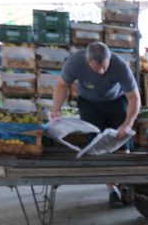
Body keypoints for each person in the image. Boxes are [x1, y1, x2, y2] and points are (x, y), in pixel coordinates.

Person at [51, 42, 141, 208]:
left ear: (109, 59)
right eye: (96, 68)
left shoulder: (120, 65)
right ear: (87, 60)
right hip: (89, 103)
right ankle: (112, 189)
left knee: (123, 144)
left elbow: (134, 98)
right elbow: (62, 85)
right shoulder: (75, 62)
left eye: (104, 67)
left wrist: (127, 124)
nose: (101, 72)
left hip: (116, 101)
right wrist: (55, 110)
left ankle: (125, 184)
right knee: (98, 147)